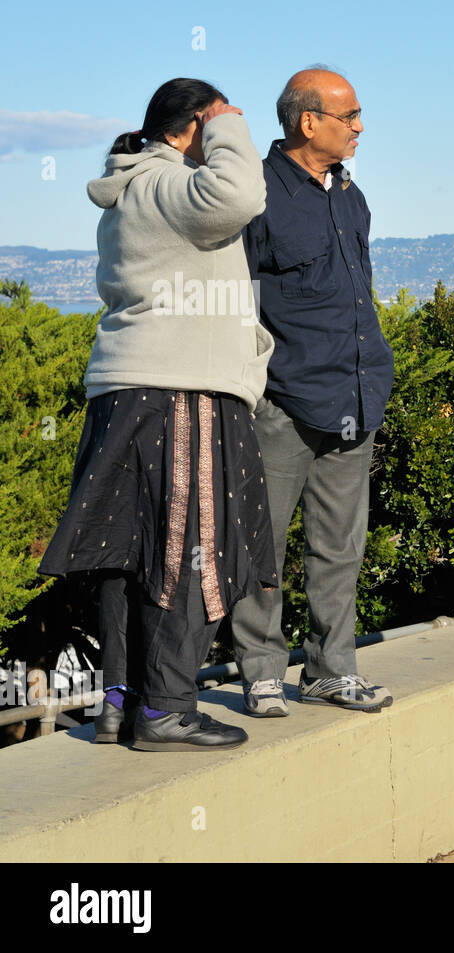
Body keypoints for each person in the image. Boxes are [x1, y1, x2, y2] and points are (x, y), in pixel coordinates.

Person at [38, 78, 275, 750]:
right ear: (196, 124)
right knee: (190, 546)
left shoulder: (134, 191)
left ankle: (123, 702)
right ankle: (167, 706)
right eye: (218, 122)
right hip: (181, 390)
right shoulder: (166, 184)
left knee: (129, 553)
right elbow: (240, 195)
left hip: (130, 389)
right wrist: (227, 123)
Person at [230, 68, 395, 716]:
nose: (359, 125)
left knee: (339, 547)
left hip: (355, 397)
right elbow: (236, 296)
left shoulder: (349, 194)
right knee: (261, 542)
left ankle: (331, 669)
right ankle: (262, 670)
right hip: (284, 401)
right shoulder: (259, 194)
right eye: (349, 114)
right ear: (309, 122)